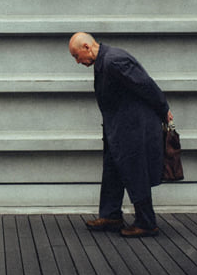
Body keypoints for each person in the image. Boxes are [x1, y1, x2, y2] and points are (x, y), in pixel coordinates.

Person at [69, 32, 173, 238]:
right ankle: (111, 216)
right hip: (118, 126)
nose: (77, 61)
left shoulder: (114, 61)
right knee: (112, 169)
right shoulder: (103, 62)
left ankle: (146, 223)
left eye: (76, 56)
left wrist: (164, 109)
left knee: (135, 170)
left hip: (133, 126)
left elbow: (145, 85)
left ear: (87, 47)